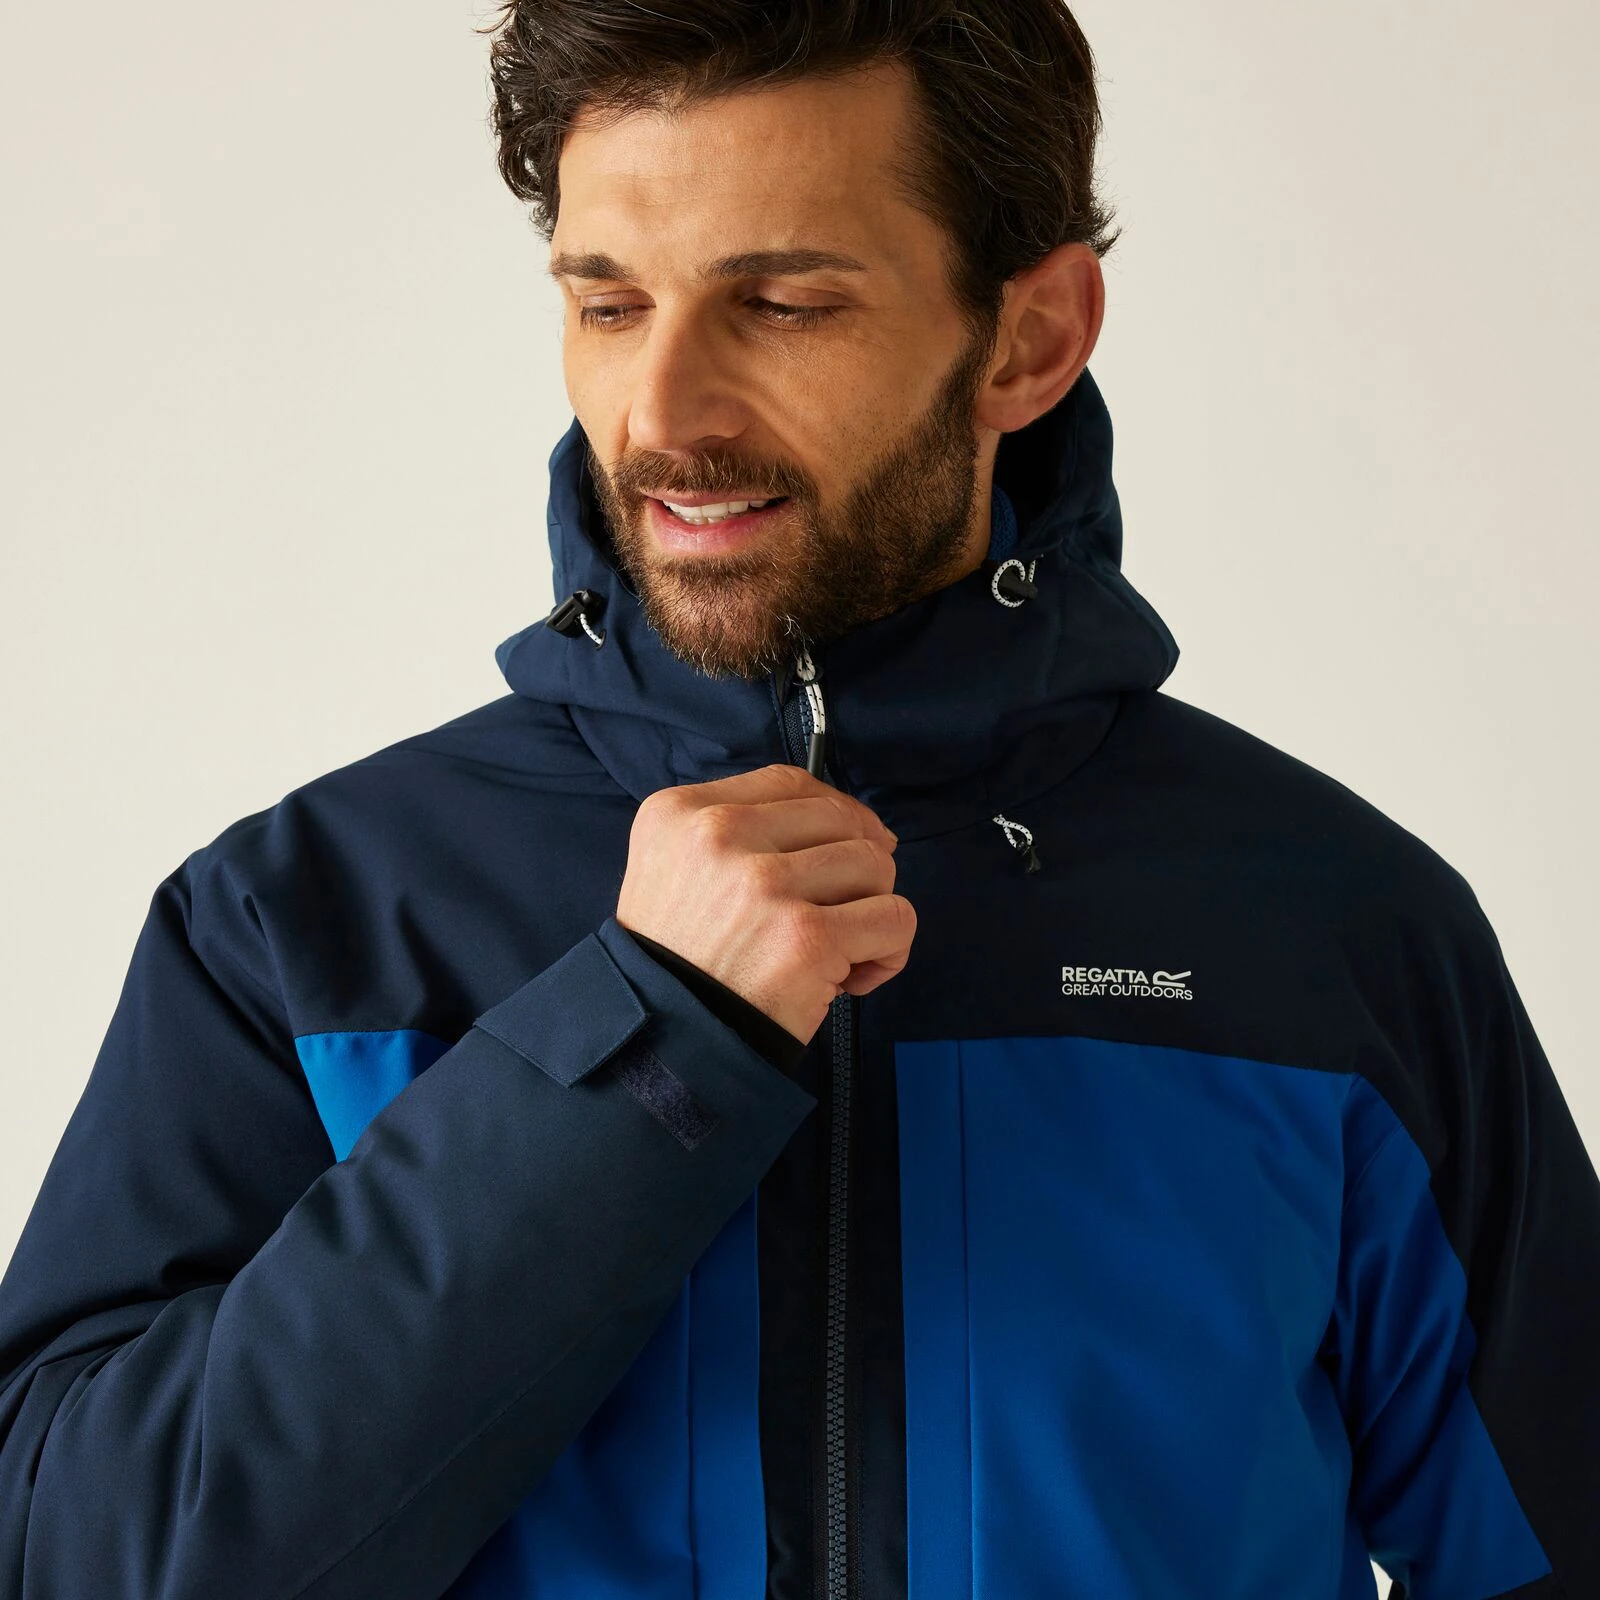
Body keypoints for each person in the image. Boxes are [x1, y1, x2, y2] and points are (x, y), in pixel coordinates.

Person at [1, 0, 1595, 1595]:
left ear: (1030, 339)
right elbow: (79, 1559)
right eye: (611, 304)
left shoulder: (1331, 934)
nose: (663, 413)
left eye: (780, 303)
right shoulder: (309, 923)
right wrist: (640, 1049)